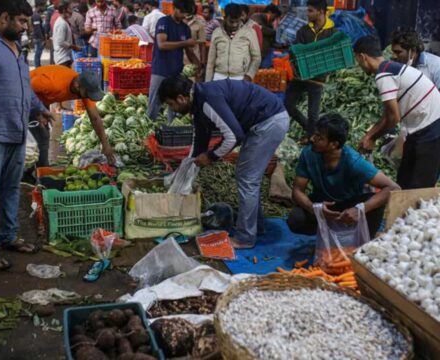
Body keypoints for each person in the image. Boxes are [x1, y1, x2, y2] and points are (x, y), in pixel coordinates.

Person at [158, 76, 290, 249]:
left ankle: (245, 238)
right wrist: (188, 165)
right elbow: (200, 138)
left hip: (269, 121)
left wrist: (211, 156)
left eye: (171, 104)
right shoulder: (198, 102)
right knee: (246, 177)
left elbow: (233, 137)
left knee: (247, 179)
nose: (172, 109)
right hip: (262, 122)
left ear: (182, 98)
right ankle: (256, 226)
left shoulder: (207, 100)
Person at [0, 0, 52, 270]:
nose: (25, 27)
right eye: (21, 21)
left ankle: (8, 236)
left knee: (11, 187)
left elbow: (24, 86)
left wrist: (38, 110)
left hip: (17, 129)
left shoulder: (17, 48)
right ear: (4, 18)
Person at [287, 114, 400, 238]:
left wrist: (360, 209)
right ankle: (329, 235)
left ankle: (363, 240)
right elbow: (297, 190)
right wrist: (314, 208)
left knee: (375, 203)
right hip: (323, 204)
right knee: (296, 219)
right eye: (315, 134)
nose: (312, 139)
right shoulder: (309, 153)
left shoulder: (353, 161)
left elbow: (393, 188)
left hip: (349, 207)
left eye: (319, 137)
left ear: (334, 144)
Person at [354, 35, 440, 189]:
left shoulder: (384, 75)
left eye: (357, 60)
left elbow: (394, 118)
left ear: (362, 57)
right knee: (404, 181)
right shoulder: (390, 68)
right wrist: (370, 135)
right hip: (421, 129)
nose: (358, 64)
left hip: (431, 130)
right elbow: (388, 114)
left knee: (419, 187)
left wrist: (372, 137)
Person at [30, 65, 115, 164]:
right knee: (36, 137)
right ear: (77, 85)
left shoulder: (84, 88)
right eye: (88, 93)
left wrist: (105, 145)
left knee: (42, 136)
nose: (89, 96)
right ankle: (32, 172)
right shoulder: (51, 83)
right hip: (24, 97)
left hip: (41, 99)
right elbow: (25, 89)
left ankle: (40, 170)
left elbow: (95, 118)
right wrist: (38, 113)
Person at [284, 0, 336, 140]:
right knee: (288, 105)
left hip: (318, 78)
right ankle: (307, 127)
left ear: (320, 11)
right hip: (300, 76)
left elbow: (334, 54)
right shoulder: (304, 31)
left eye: (310, 11)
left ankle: (310, 138)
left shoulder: (333, 32)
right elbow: (295, 52)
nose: (307, 14)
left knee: (313, 113)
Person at [147, 0, 200, 121]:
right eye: (182, 12)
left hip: (176, 72)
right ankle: (149, 132)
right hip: (160, 70)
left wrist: (197, 65)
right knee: (154, 103)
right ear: (174, 8)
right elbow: (162, 45)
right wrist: (185, 42)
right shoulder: (164, 22)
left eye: (186, 13)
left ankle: (172, 130)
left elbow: (189, 51)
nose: (183, 16)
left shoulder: (185, 28)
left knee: (175, 105)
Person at [205, 3, 260, 82]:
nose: (235, 24)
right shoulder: (217, 32)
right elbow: (211, 60)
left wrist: (249, 75)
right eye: (231, 22)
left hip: (240, 77)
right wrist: (208, 82)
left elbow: (256, 57)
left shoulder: (249, 32)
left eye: (237, 21)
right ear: (225, 18)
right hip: (219, 77)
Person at [53, 1, 81, 67]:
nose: (72, 11)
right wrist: (74, 47)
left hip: (65, 57)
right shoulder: (61, 23)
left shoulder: (63, 21)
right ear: (64, 10)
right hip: (62, 59)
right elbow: (60, 42)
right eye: (70, 9)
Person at [32, 0, 47, 68]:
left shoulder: (36, 15)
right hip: (38, 39)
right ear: (39, 6)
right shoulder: (36, 16)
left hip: (38, 38)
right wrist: (42, 39)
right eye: (43, 6)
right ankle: (37, 68)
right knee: (37, 54)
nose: (44, 7)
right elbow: (37, 29)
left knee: (38, 54)